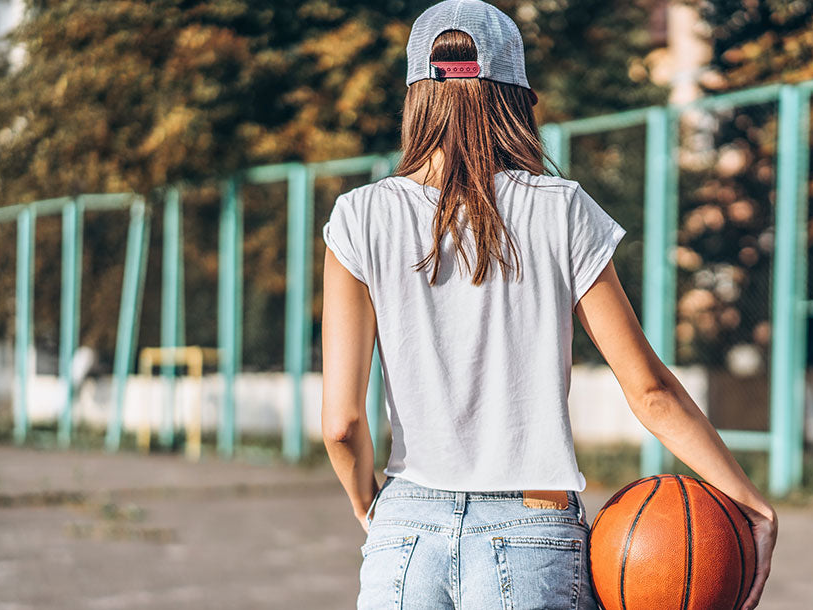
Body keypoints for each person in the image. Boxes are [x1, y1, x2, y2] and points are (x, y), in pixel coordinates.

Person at [320, 1, 777, 608]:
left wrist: (370, 509)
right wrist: (751, 505)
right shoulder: (560, 209)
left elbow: (342, 424)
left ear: (414, 100)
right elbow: (650, 393)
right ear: (518, 99)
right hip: (530, 530)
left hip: (404, 533)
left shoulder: (359, 216)